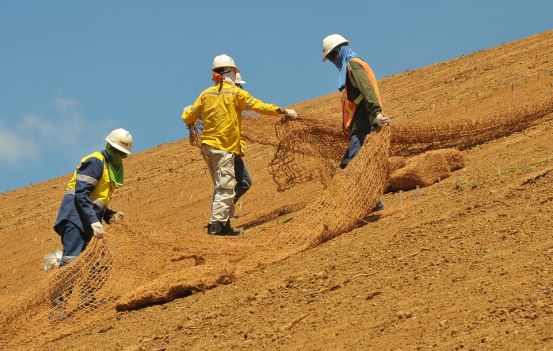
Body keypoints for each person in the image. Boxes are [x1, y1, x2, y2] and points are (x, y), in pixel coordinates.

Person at [182, 54, 298, 236]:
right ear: (231, 73)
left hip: (208, 148)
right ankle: (216, 227)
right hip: (223, 148)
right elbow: (259, 106)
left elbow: (189, 116)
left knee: (229, 183)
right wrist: (282, 111)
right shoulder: (235, 93)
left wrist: (187, 112)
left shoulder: (206, 94)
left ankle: (224, 223)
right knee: (225, 186)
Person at [322, 34, 389, 210]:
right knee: (347, 164)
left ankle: (371, 202)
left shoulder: (353, 65)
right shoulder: (349, 66)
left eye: (333, 56)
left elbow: (367, 89)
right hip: (359, 124)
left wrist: (377, 113)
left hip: (364, 122)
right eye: (329, 58)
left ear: (341, 50)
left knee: (353, 164)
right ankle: (372, 201)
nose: (332, 60)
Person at [53, 128, 132, 266]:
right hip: (75, 219)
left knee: (97, 266)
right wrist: (94, 221)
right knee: (72, 265)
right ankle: (62, 287)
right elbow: (81, 195)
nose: (118, 155)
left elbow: (94, 201)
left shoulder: (108, 168)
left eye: (122, 154)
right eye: (116, 151)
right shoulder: (96, 162)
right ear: (109, 146)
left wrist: (109, 215)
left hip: (86, 222)